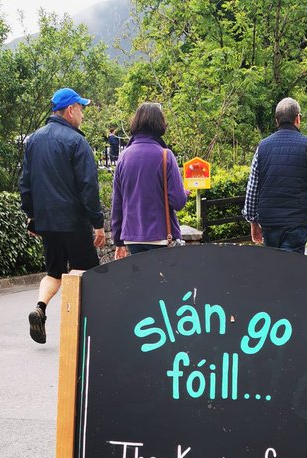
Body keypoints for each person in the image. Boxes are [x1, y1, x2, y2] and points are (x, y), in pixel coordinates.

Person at [19, 86, 106, 345]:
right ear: (70, 110)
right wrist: (98, 223)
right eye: (81, 108)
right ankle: (84, 329)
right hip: (74, 222)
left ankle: (40, 308)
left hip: (47, 222)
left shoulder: (33, 140)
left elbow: (26, 183)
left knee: (54, 272)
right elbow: (88, 186)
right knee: (86, 274)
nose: (82, 113)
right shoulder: (77, 142)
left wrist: (32, 216)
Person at [242, 97, 307, 254]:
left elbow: (252, 188)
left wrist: (253, 220)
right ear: (298, 119)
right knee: (292, 266)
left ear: (276, 120)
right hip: (296, 221)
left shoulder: (262, 147)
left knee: (273, 264)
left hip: (269, 222)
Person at [110, 103, 189, 258]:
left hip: (132, 237)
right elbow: (178, 202)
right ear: (159, 124)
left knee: (141, 275)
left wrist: (118, 241)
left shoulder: (124, 157)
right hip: (161, 236)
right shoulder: (165, 155)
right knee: (163, 274)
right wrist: (184, 192)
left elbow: (117, 203)